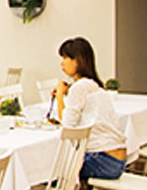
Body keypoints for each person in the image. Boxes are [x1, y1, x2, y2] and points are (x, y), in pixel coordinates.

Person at [51, 36, 127, 181]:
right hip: (117, 160)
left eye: (65, 58)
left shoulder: (79, 87)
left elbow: (68, 126)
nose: (62, 63)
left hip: (102, 160)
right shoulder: (94, 85)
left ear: (77, 61)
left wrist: (60, 96)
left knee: (52, 168)